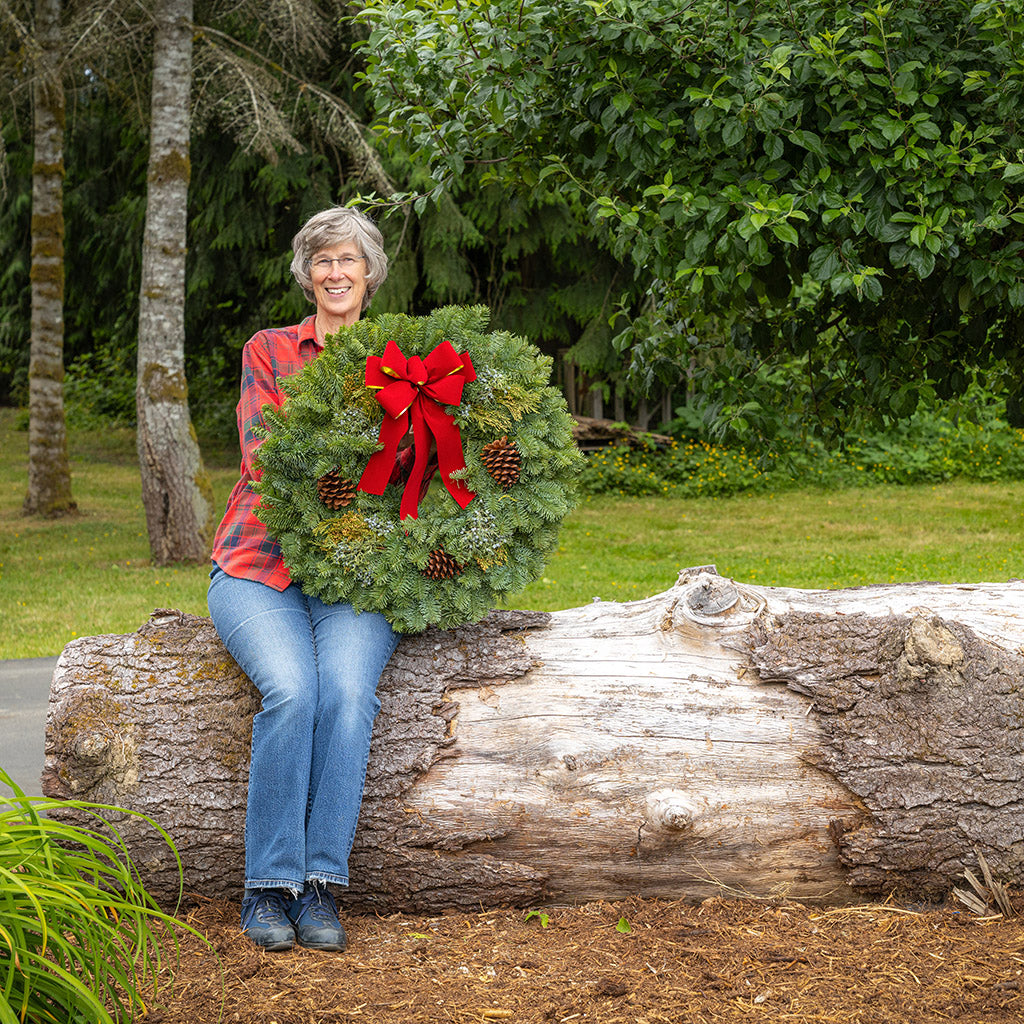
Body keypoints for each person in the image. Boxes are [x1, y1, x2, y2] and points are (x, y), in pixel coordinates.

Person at [208, 206, 399, 952]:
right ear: (307, 273)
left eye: (349, 259)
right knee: (292, 690)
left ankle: (318, 885)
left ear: (370, 271)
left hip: (355, 574)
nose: (336, 272)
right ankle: (267, 886)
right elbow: (267, 456)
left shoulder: (404, 361)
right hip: (260, 563)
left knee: (347, 693)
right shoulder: (270, 350)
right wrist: (364, 464)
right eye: (323, 260)